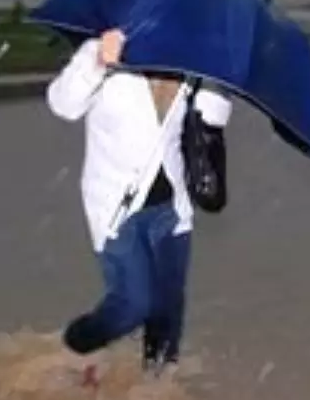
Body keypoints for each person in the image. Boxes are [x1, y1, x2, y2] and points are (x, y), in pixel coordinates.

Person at [46, 28, 232, 376]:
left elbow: (211, 124)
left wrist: (216, 83)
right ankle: (78, 345)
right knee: (133, 304)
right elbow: (62, 104)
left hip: (171, 206)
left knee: (167, 308)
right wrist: (99, 61)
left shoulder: (190, 54)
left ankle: (158, 389)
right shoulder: (102, 49)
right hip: (118, 206)